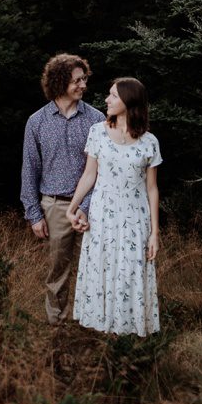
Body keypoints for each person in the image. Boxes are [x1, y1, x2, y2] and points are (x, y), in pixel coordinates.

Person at [66, 77, 162, 337]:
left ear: (129, 103)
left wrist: (154, 232)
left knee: (130, 272)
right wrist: (72, 208)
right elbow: (89, 175)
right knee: (103, 269)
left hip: (135, 218)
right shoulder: (97, 132)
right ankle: (103, 335)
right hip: (103, 216)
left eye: (113, 96)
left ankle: (129, 335)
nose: (106, 100)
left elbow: (152, 188)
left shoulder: (149, 142)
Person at [20, 53, 106, 325]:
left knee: (94, 268)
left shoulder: (96, 119)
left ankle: (91, 323)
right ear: (60, 82)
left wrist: (85, 206)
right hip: (54, 206)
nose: (83, 85)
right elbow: (29, 169)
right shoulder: (37, 122)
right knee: (58, 272)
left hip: (91, 207)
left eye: (84, 79)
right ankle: (57, 326)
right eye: (77, 80)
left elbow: (102, 170)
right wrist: (34, 214)